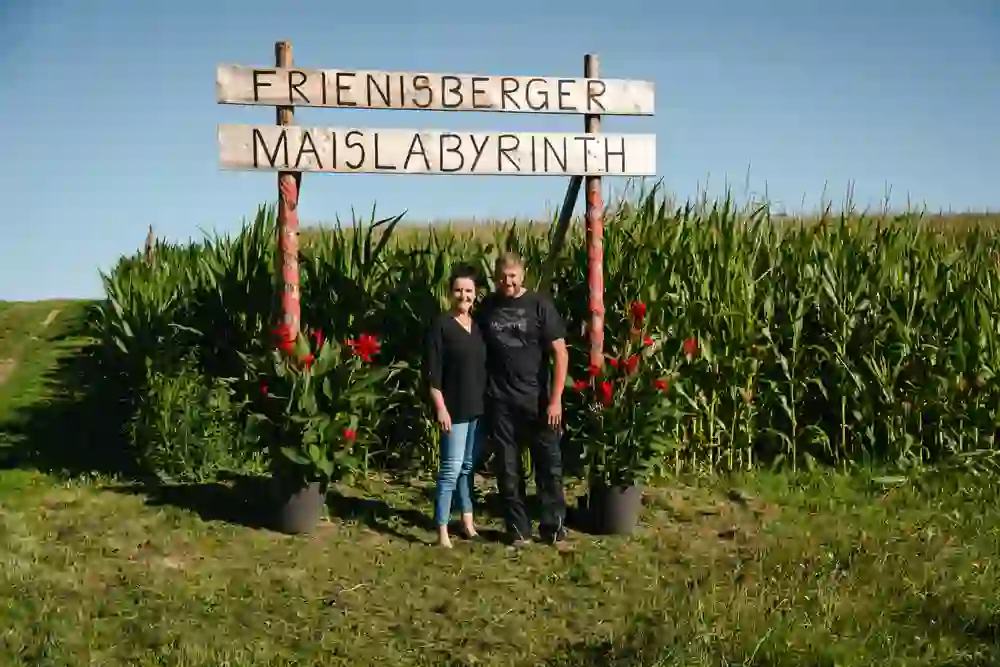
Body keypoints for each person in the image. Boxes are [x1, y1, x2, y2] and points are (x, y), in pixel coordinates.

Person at [476, 252, 570, 547]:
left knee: (549, 468)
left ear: (522, 274)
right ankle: (518, 529)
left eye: (513, 276)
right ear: (495, 278)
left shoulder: (540, 305)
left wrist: (555, 400)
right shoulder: (488, 307)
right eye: (503, 277)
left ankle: (553, 528)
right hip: (499, 401)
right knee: (507, 468)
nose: (508, 282)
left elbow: (560, 353)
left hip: (538, 401)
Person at [425, 263, 488, 548]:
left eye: (469, 291)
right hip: (454, 410)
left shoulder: (477, 326)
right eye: (459, 290)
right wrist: (441, 407)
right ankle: (441, 529)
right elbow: (433, 372)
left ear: (476, 294)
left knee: (467, 468)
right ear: (450, 292)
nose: (464, 296)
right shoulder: (441, 325)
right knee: (450, 469)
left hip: (477, 408)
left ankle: (467, 522)